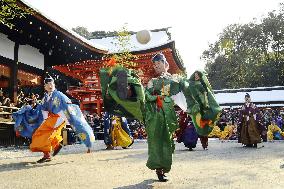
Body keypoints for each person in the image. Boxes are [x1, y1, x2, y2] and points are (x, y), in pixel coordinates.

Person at [99, 53, 221, 182]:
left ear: (166, 64)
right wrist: (154, 97)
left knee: (167, 142)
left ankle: (163, 168)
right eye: (155, 65)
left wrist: (196, 77)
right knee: (156, 142)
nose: (156, 66)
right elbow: (145, 96)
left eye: (159, 64)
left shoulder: (176, 79)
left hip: (168, 114)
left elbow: (189, 88)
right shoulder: (153, 82)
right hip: (153, 113)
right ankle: (159, 170)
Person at [13, 74, 95, 163]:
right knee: (48, 134)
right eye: (47, 84)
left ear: (54, 85)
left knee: (40, 134)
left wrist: (69, 120)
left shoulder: (59, 95)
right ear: (44, 87)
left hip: (60, 117)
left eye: (51, 84)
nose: (50, 86)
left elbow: (67, 108)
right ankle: (54, 147)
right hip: (54, 118)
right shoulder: (45, 98)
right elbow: (42, 110)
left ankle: (50, 151)